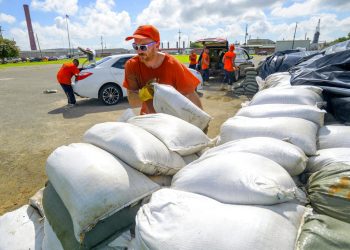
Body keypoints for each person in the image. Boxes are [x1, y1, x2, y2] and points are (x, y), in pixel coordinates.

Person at [123, 24, 203, 115]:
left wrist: (202, 121)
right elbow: (133, 101)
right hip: (147, 118)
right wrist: (145, 94)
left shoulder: (172, 65)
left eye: (143, 47)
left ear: (157, 45)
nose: (139, 51)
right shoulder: (131, 65)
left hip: (171, 119)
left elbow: (190, 94)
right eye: (135, 46)